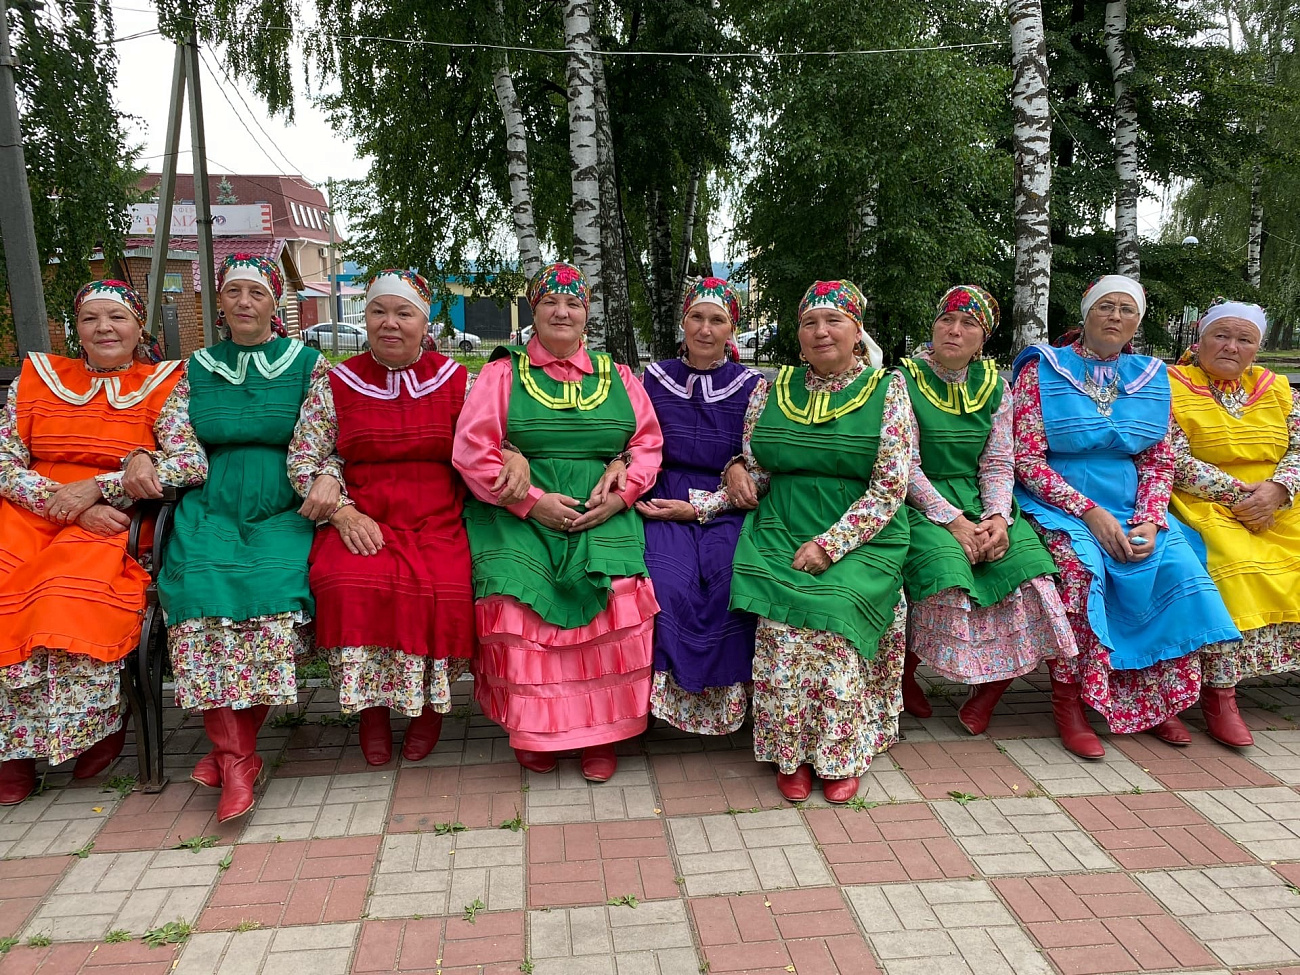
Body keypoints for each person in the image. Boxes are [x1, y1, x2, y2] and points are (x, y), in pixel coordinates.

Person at [288, 270, 530, 764]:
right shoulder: (336, 382)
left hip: (438, 514)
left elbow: (490, 440)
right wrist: (339, 509)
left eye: (404, 314)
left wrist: (514, 455)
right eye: (379, 312)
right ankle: (372, 712)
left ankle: (429, 712)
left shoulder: (458, 380)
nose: (390, 324)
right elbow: (303, 458)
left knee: (446, 586)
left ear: (425, 322)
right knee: (344, 580)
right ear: (365, 318)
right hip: (365, 512)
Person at [452, 261, 663, 782]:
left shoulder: (620, 376)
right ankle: (536, 729)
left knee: (617, 594)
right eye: (550, 302)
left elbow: (647, 443)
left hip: (600, 507)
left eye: (573, 304)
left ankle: (602, 734)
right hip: (519, 512)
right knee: (516, 601)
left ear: (586, 314)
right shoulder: (503, 373)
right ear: (534, 309)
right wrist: (531, 502)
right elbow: (471, 449)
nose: (562, 312)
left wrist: (623, 489)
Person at [1012, 274, 1239, 759]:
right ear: (1086, 312)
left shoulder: (1151, 376)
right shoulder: (1043, 369)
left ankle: (1156, 702)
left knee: (1175, 563)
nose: (1115, 317)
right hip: (1061, 502)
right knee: (1081, 570)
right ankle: (1069, 704)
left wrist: (1152, 520)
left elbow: (1158, 460)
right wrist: (1089, 513)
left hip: (1134, 503)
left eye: (1127, 310)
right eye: (1105, 307)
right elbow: (1026, 460)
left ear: (1137, 321)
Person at [0, 280, 204, 802]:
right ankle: (14, 752)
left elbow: (187, 463)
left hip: (113, 520)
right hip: (30, 509)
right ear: (77, 330)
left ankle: (94, 730)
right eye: (91, 319)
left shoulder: (166, 382)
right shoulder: (37, 378)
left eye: (116, 317)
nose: (104, 328)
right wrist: (65, 502)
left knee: (62, 594)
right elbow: (4, 462)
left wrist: (101, 489)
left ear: (139, 327)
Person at [713, 280, 911, 804]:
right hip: (780, 525)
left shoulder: (888, 391)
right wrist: (708, 498)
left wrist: (831, 544)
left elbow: (891, 485)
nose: (821, 332)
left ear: (856, 331)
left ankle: (840, 752)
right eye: (809, 323)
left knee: (836, 617)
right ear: (798, 336)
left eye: (834, 322)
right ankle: (790, 752)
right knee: (782, 627)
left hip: (861, 533)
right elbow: (755, 471)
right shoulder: (769, 389)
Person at [154, 254, 327, 823]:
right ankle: (238, 760)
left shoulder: (308, 364)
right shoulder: (195, 368)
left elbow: (316, 443)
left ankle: (230, 754)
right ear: (220, 303)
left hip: (284, 504)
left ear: (275, 301)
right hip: (212, 506)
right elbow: (179, 448)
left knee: (272, 602)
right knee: (200, 599)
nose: (245, 303)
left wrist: (315, 489)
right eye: (234, 294)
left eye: (257, 292)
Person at [898, 286, 1075, 734]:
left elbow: (997, 460)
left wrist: (996, 517)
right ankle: (905, 676)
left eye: (968, 324)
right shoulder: (901, 380)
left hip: (981, 498)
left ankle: (990, 693)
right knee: (947, 572)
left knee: (1033, 576)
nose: (954, 331)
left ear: (984, 339)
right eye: (946, 320)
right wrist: (954, 521)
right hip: (918, 500)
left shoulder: (996, 387)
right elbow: (905, 463)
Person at [1168, 299, 1300, 747]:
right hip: (1207, 501)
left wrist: (1278, 490)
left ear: (1257, 349)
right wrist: (1243, 496)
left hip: (1280, 499)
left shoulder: (1278, 389)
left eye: (1244, 339)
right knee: (1229, 562)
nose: (1231, 346)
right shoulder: (1171, 385)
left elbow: (1299, 448)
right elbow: (1172, 457)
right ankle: (1220, 696)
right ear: (1200, 339)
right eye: (1221, 335)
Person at [636, 277, 763, 735]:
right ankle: (662, 706)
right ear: (683, 321)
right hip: (664, 490)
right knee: (666, 581)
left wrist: (734, 464)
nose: (705, 329)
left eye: (718, 320)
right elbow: (631, 439)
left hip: (724, 503)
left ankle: (734, 702)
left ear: (732, 329)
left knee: (732, 578)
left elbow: (758, 459)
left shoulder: (753, 386)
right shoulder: (652, 378)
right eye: (697, 317)